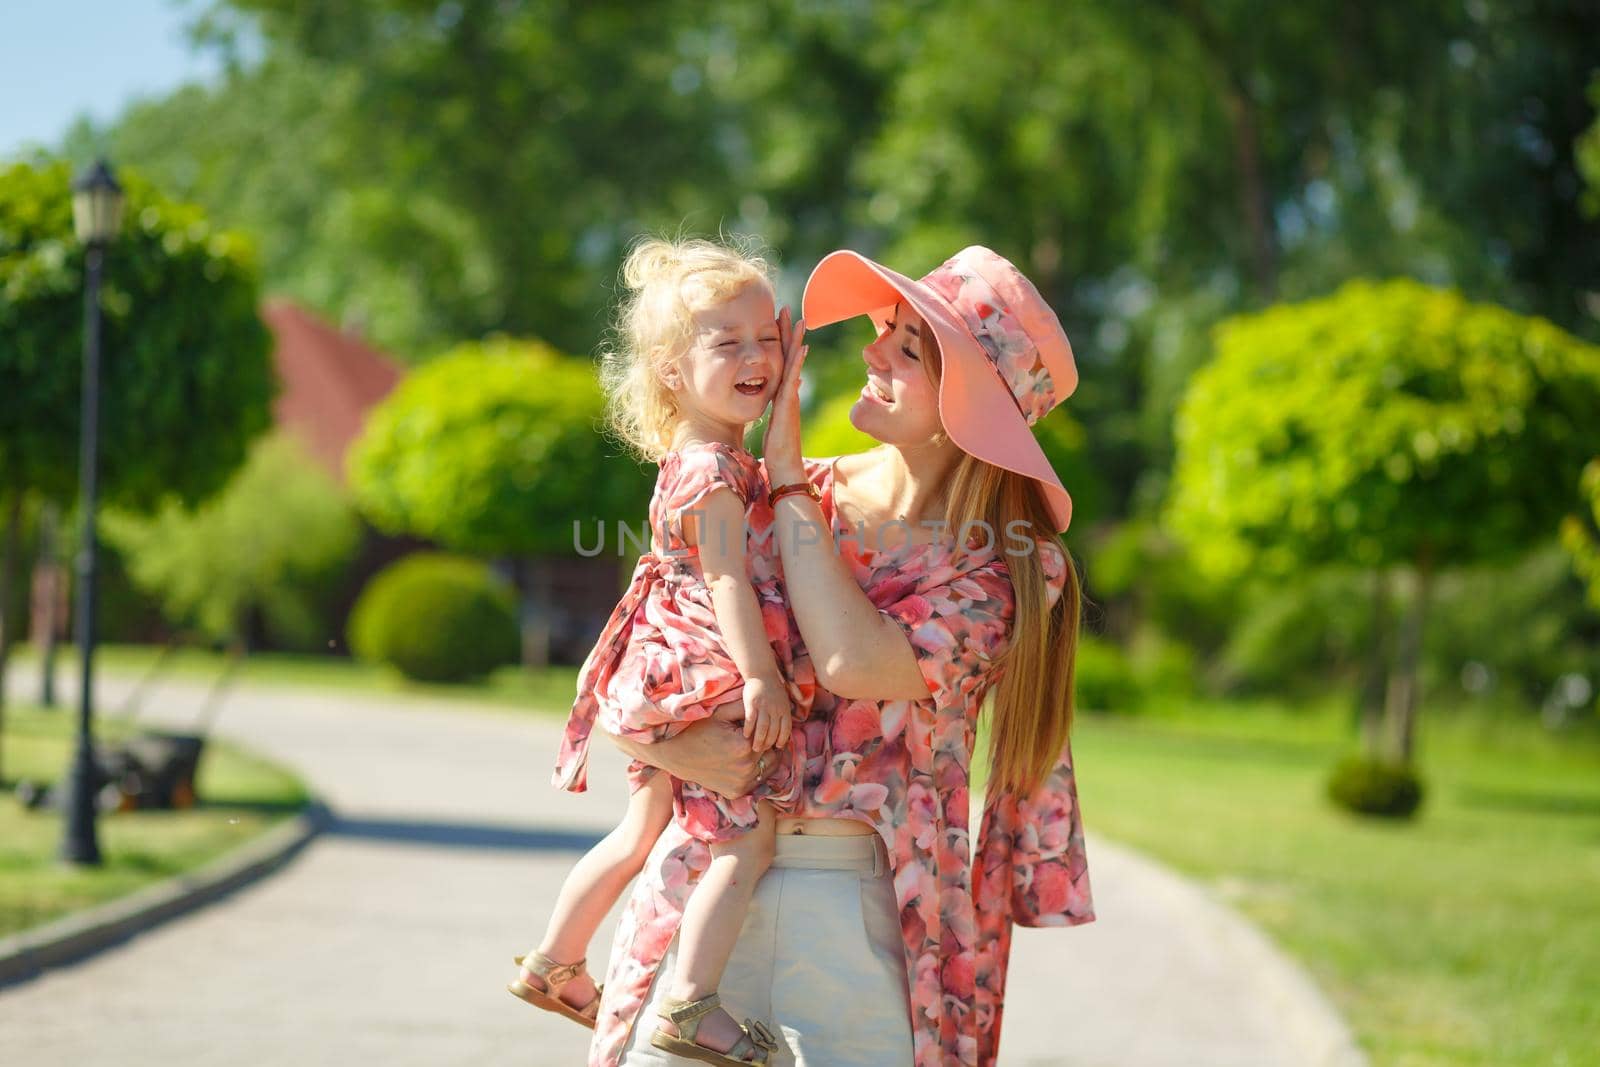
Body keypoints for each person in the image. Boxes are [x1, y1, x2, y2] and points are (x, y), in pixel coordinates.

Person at [592, 245, 1096, 1067]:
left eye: (905, 348)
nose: (869, 351)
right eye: (883, 333)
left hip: (866, 912)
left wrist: (786, 477)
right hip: (707, 885)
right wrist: (662, 740)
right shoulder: (759, 491)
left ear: (966, 406)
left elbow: (851, 661)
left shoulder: (1002, 571)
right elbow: (640, 656)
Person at [510, 237, 815, 1067]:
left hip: (660, 670)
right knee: (743, 839)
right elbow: (727, 585)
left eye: (768, 338)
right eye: (730, 342)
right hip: (700, 670)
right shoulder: (716, 467)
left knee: (641, 826)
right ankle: (690, 1002)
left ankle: (556, 958)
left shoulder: (700, 454)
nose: (758, 356)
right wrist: (760, 677)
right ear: (672, 370)